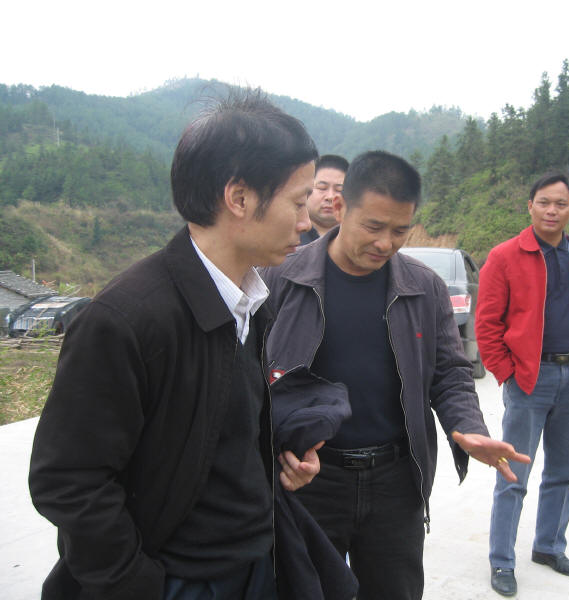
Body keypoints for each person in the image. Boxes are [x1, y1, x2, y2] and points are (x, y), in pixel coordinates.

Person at [28, 90, 339, 600]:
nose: (307, 221)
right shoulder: (127, 319)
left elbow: (212, 435)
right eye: (297, 201)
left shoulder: (249, 302)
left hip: (254, 564)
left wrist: (275, 466)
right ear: (239, 198)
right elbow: (68, 480)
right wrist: (138, 585)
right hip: (176, 580)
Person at [260, 150, 529, 600]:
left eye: (400, 230)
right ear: (341, 207)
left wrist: (469, 429)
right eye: (374, 226)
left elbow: (450, 372)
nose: (386, 243)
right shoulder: (282, 277)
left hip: (396, 482)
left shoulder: (423, 287)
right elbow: (251, 375)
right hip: (310, 480)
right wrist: (273, 450)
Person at [475, 172, 569, 596]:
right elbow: (487, 324)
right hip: (529, 379)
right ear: (530, 206)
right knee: (513, 473)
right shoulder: (504, 256)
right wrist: (507, 373)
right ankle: (502, 561)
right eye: (544, 202)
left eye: (561, 204)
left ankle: (550, 547)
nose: (552, 211)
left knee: (565, 472)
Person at [299, 154, 349, 245]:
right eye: (322, 188)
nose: (330, 197)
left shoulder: (355, 241)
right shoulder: (289, 236)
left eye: (339, 190)